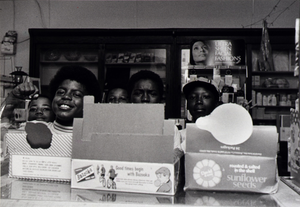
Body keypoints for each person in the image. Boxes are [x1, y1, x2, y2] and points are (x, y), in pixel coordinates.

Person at [2, 65, 101, 134]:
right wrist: (11, 102)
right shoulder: (33, 130)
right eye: (61, 92)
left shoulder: (93, 138)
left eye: (76, 94)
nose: (66, 96)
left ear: (88, 102)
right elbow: (2, 134)